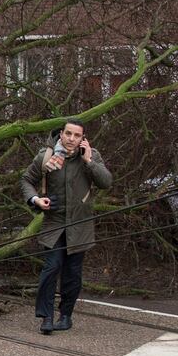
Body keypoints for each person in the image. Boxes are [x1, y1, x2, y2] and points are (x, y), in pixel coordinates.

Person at [20, 118, 112, 335]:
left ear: (83, 138)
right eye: (68, 134)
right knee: (51, 268)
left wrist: (89, 162)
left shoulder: (91, 156)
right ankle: (46, 317)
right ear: (61, 134)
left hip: (80, 225)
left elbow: (106, 183)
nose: (71, 139)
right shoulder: (46, 156)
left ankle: (66, 316)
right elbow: (26, 180)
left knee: (72, 274)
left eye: (77, 135)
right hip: (54, 223)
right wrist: (35, 200)